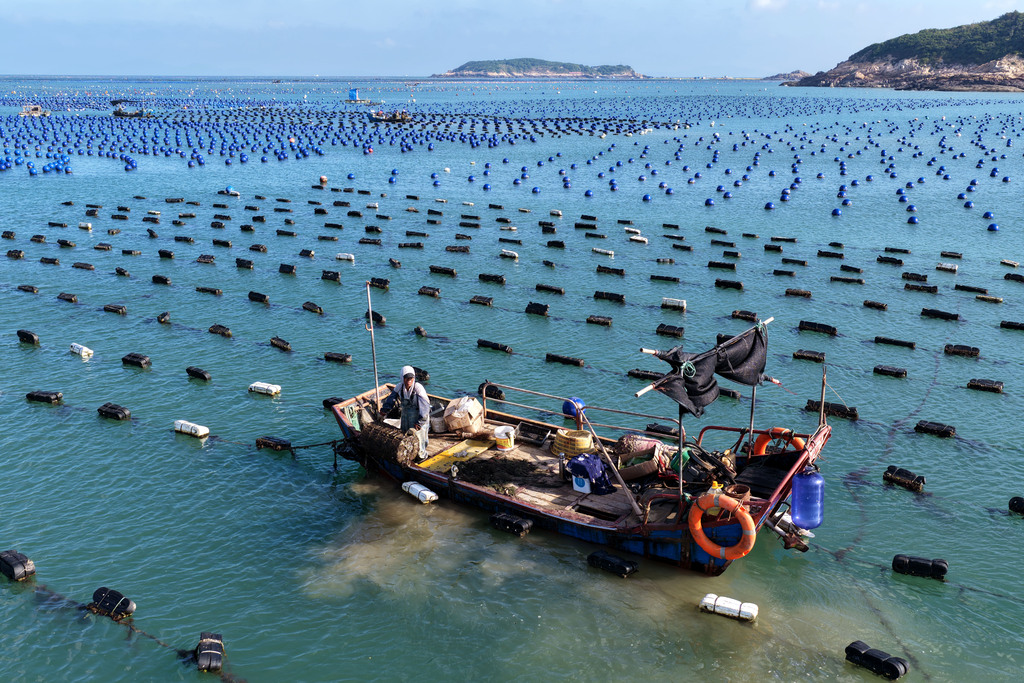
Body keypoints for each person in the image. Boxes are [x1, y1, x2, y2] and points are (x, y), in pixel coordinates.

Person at [382, 366, 430, 459]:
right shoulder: (399, 387)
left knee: (420, 439)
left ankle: (421, 456)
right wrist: (384, 410)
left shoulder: (418, 388)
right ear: (402, 378)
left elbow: (425, 407)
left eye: (411, 378)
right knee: (405, 436)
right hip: (406, 416)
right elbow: (391, 399)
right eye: (406, 378)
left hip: (419, 416)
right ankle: (409, 453)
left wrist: (420, 422)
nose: (409, 380)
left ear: (414, 378)